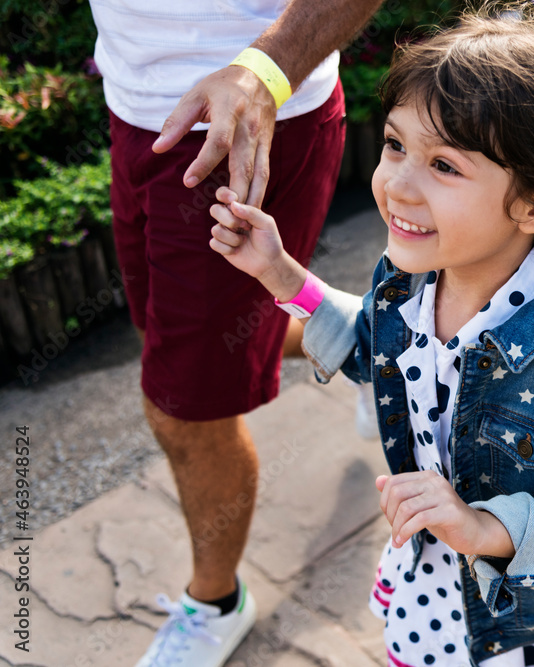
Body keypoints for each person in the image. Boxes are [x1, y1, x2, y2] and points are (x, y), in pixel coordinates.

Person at [208, 7, 534, 665]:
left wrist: (482, 526)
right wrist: (281, 272)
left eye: (444, 166)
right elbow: (375, 350)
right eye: (396, 145)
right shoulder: (406, 284)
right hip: (435, 595)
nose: (396, 182)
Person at [87, 0, 382, 664]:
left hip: (242, 124)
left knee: (182, 407)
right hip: (137, 109)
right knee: (172, 350)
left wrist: (266, 68)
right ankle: (371, 346)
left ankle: (216, 602)